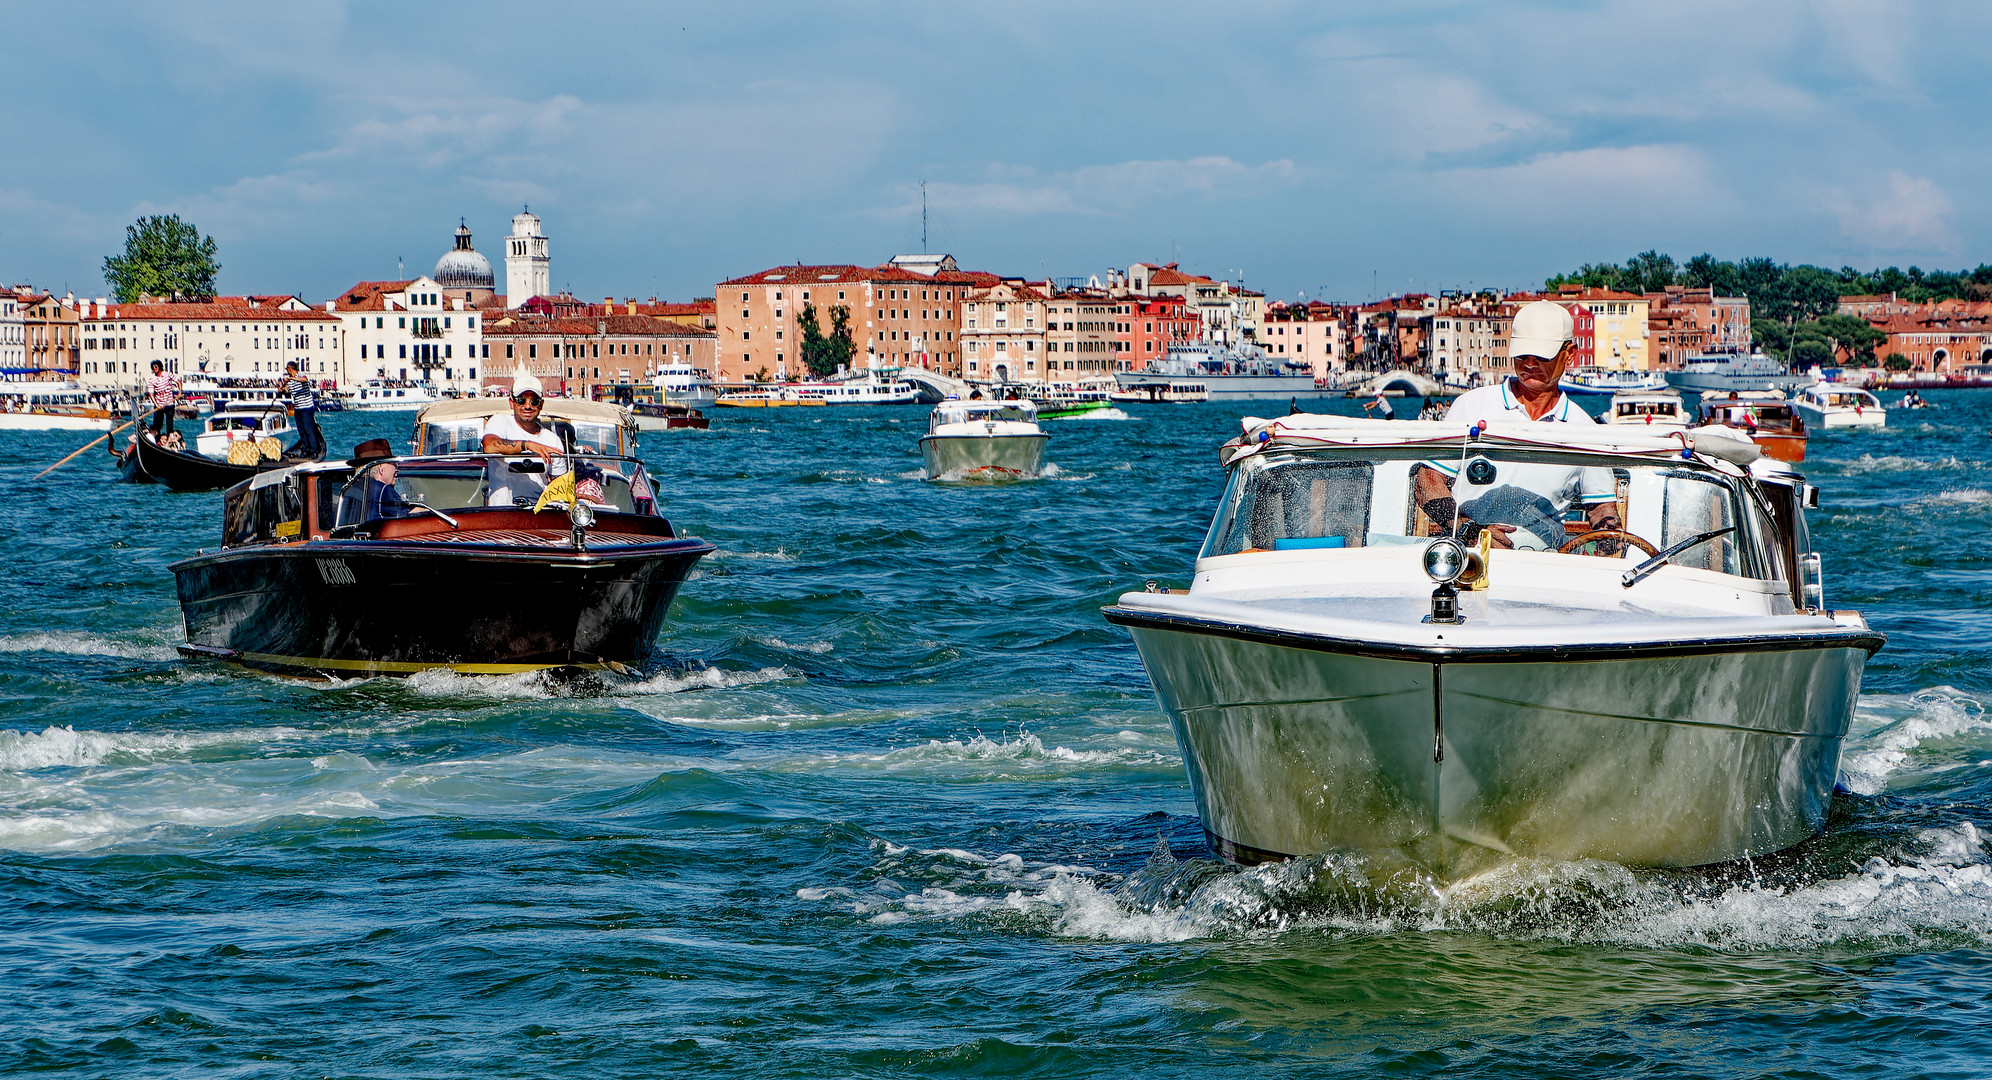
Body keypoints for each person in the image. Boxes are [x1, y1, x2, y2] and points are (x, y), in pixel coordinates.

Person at [1414, 300, 1620, 550]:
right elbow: (1426, 482)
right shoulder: (1471, 406)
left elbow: (1601, 510)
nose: (1529, 363)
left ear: (1570, 355)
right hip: (1468, 555)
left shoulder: (1584, 430)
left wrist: (1610, 547)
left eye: (1542, 355)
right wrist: (1469, 530)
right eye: (1522, 354)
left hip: (1543, 561)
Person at [481, 374, 567, 507]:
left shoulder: (553, 440)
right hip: (501, 512)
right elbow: (489, 445)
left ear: (541, 404)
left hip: (539, 512)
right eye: (521, 400)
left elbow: (560, 485)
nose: (527, 406)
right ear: (511, 402)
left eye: (534, 401)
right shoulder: (499, 422)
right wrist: (527, 445)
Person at [344, 439, 408, 521]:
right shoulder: (382, 490)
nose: (396, 469)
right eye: (393, 464)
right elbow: (410, 513)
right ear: (380, 468)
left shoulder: (348, 489)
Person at [279, 361, 322, 458]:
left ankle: (314, 451)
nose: (287, 372)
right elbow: (287, 391)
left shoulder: (300, 375)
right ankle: (306, 449)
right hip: (298, 408)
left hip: (306, 408)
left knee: (308, 429)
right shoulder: (291, 381)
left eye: (287, 370)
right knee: (301, 430)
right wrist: (282, 389)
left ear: (290, 369)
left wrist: (292, 378)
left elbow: (304, 380)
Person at [144, 361, 178, 440]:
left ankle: (169, 441)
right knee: (157, 425)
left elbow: (178, 382)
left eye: (155, 366)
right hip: (159, 405)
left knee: (169, 425)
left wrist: (179, 393)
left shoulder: (168, 374)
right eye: (153, 367)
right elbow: (151, 393)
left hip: (169, 404)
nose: (154, 368)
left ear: (159, 366)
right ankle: (157, 441)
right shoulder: (152, 379)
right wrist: (156, 404)